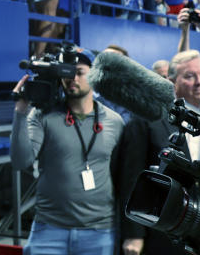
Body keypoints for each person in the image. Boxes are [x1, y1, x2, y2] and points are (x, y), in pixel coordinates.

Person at [11, 50, 124, 255]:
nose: (73, 79)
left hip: (100, 230)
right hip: (49, 229)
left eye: (80, 72)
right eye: (68, 73)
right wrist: (20, 112)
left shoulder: (114, 122)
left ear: (94, 75)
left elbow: (124, 176)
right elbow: (20, 161)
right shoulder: (43, 116)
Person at [118, 50, 200, 255]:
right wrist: (134, 235)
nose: (199, 82)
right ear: (171, 81)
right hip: (161, 229)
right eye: (189, 76)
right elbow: (130, 179)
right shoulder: (146, 120)